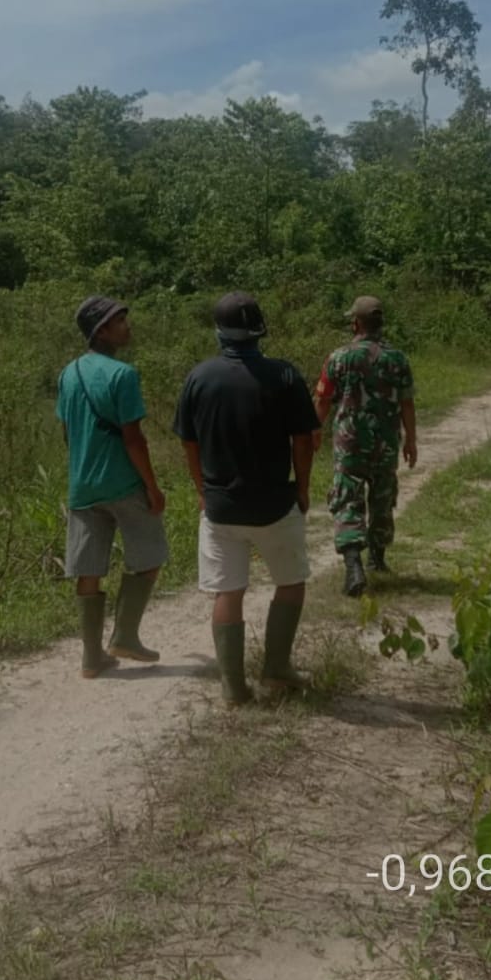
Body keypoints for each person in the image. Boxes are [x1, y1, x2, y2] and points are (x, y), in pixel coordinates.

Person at [173, 291, 321, 704]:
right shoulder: (285, 375)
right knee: (290, 583)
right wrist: (303, 488)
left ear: (219, 333)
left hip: (221, 507)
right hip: (275, 503)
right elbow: (304, 441)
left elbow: (189, 443)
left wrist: (203, 490)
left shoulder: (199, 377)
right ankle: (276, 668)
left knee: (229, 592)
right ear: (259, 331)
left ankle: (233, 686)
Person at [56, 295, 168, 678]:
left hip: (82, 486)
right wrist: (152, 487)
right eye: (120, 320)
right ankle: (124, 636)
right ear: (101, 330)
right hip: (122, 483)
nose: (127, 326)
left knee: (89, 567)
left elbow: (68, 432)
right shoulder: (124, 376)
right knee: (150, 556)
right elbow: (133, 438)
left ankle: (92, 658)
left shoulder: (68, 373)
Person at [313, 295, 416, 597]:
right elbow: (407, 402)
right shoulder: (397, 359)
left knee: (348, 498)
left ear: (356, 323)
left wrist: (313, 431)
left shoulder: (340, 357)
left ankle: (353, 564)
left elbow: (321, 399)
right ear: (380, 324)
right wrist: (411, 439)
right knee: (382, 497)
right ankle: (377, 558)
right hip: (385, 441)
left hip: (350, 442)